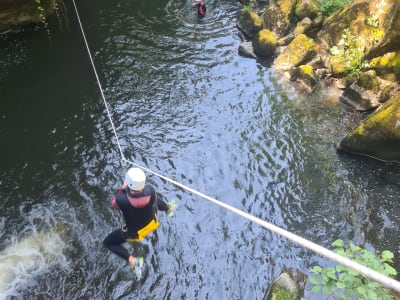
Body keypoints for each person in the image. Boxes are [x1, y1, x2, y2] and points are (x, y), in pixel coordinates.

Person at [103, 167, 171, 270]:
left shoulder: (122, 200)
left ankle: (133, 261)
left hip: (135, 233)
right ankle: (168, 209)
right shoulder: (150, 189)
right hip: (153, 222)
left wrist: (122, 189)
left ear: (129, 183)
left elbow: (114, 205)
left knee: (108, 243)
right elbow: (153, 199)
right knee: (155, 200)